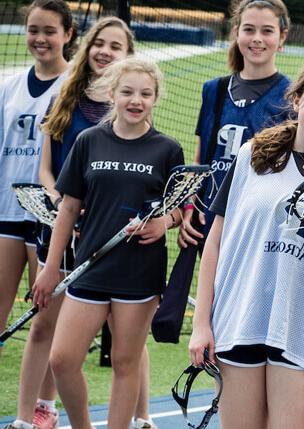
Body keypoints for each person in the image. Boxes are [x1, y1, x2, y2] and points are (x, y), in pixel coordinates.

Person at [188, 57, 304, 429]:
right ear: (297, 100)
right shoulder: (253, 156)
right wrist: (201, 324)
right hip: (239, 321)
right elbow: (216, 243)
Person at [32, 57, 184, 429]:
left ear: (155, 98)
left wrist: (163, 222)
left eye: (145, 94)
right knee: (62, 359)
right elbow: (68, 208)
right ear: (112, 94)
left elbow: (181, 210)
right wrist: (51, 268)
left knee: (124, 362)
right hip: (90, 268)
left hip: (139, 274)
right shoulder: (88, 141)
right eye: (128, 92)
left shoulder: (167, 149)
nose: (136, 100)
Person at [178, 0, 291, 248]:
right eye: (249, 29)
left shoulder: (292, 97)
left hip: (257, 223)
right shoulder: (214, 90)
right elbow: (202, 160)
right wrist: (189, 206)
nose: (257, 38)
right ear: (236, 32)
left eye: (267, 31)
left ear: (282, 37)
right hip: (207, 217)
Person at [0, 0, 74, 357]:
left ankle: (43, 409)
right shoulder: (8, 88)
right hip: (6, 212)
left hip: (50, 217)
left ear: (68, 34)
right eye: (34, 30)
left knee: (44, 320)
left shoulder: (75, 87)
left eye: (50, 31)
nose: (40, 38)